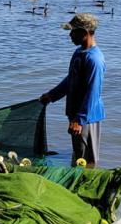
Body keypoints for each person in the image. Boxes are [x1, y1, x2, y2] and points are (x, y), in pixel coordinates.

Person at [39, 13, 106, 167]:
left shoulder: (94, 59)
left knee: (86, 160)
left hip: (88, 117)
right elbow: (71, 79)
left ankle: (85, 186)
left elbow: (93, 92)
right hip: (76, 114)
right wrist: (52, 95)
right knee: (77, 155)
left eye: (73, 31)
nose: (70, 35)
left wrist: (79, 119)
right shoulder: (79, 53)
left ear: (85, 32)